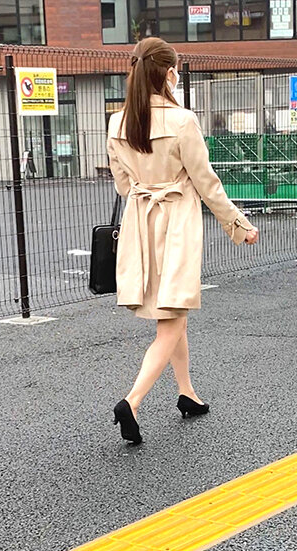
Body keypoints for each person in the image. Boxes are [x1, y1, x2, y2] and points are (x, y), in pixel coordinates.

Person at [107, 37, 259, 445]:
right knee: (172, 316)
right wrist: (239, 225)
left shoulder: (118, 122)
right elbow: (207, 183)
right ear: (170, 72)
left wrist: (147, 186)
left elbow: (123, 185)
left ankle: (187, 392)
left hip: (141, 224)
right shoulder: (182, 120)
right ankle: (132, 401)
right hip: (176, 224)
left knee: (173, 313)